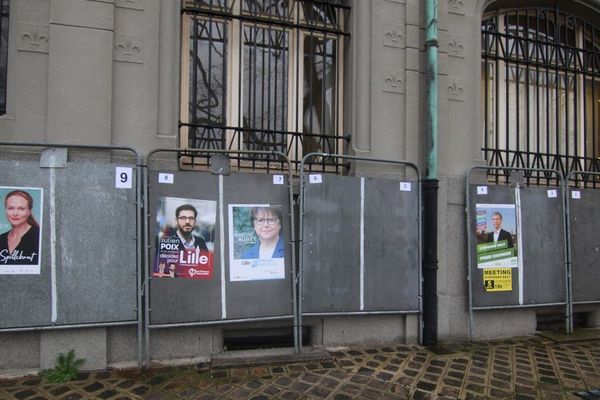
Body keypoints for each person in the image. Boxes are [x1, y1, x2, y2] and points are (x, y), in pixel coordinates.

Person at [0, 190, 40, 265]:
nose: (15, 213)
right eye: (11, 208)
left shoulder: (39, 237)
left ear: (29, 211)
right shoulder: (1, 239)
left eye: (21, 209)